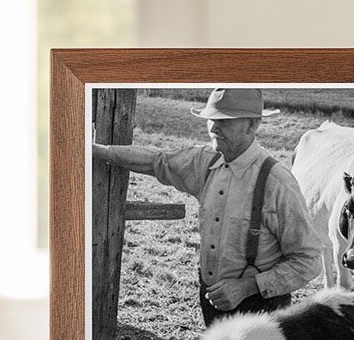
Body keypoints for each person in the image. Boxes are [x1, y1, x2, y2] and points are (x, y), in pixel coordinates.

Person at [93, 87, 323, 326]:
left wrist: (248, 286)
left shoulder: (277, 183)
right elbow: (156, 161)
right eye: (211, 120)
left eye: (225, 121)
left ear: (252, 125)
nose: (214, 128)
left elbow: (308, 260)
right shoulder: (205, 161)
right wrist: (98, 151)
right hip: (212, 301)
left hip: (260, 310)